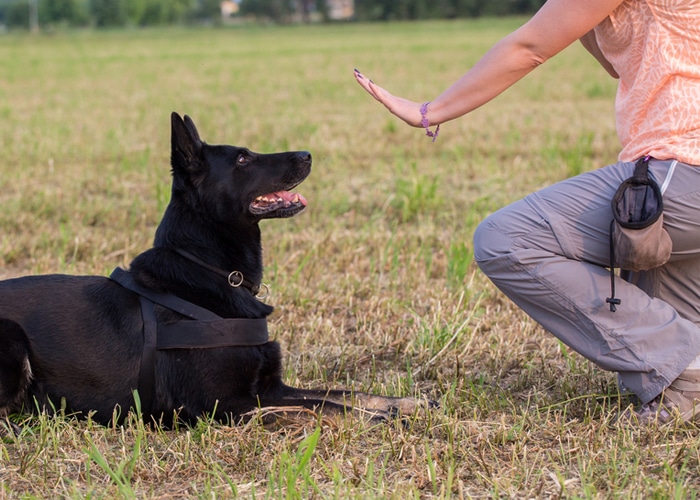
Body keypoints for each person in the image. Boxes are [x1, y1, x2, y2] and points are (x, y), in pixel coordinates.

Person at [354, 0, 700, 424]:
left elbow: (530, 47)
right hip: (683, 177)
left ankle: (686, 359)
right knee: (656, 269)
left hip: (683, 168)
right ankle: (685, 383)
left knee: (506, 239)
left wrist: (428, 111)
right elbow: (613, 57)